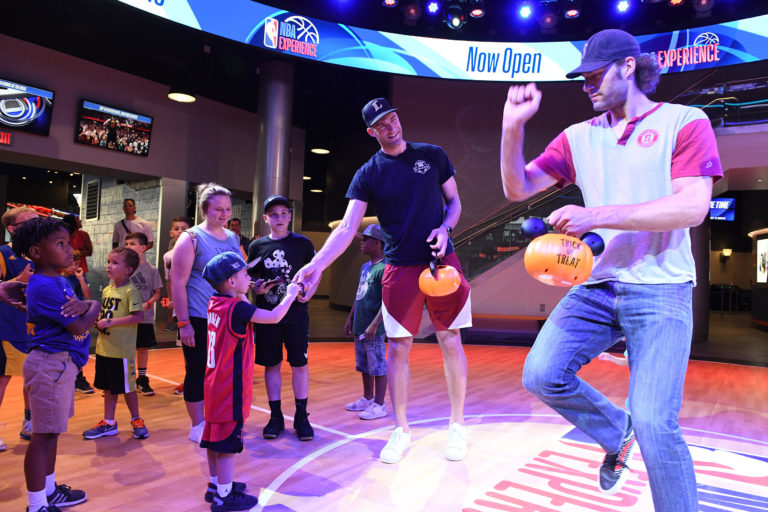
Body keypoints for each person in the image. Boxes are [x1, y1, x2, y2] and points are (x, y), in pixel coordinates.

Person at [499, 29, 722, 511]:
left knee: (655, 423)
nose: (587, 86)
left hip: (661, 289)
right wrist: (512, 127)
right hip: (598, 286)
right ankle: (614, 432)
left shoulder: (685, 120)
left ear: (627, 67)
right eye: (582, 79)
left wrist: (595, 215)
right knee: (542, 374)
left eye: (595, 75)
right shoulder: (579, 137)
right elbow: (518, 188)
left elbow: (692, 207)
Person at [295, 98, 472, 464]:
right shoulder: (368, 173)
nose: (391, 125)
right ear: (371, 132)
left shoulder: (433, 155)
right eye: (381, 123)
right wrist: (316, 264)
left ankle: (458, 425)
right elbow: (346, 229)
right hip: (399, 267)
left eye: (392, 117)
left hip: (441, 261)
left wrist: (444, 227)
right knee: (398, 347)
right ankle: (400, 428)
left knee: (451, 338)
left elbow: (454, 204)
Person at [200, 252, 302, 511]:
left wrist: (248, 291)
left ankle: (216, 485)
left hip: (213, 384)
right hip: (229, 388)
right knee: (227, 445)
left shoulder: (216, 302)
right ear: (232, 281)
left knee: (214, 438)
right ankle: (224, 496)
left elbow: (241, 304)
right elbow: (275, 316)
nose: (251, 278)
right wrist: (290, 293)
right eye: (245, 275)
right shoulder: (238, 308)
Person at [12, 217, 101, 512]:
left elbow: (81, 306)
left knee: (51, 434)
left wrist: (88, 306)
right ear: (36, 252)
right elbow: (80, 325)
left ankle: (49, 492)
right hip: (51, 365)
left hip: (60, 365)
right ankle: (36, 505)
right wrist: (96, 306)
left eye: (68, 243)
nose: (69, 250)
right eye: (61, 244)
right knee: (42, 436)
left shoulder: (59, 280)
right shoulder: (45, 286)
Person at [172, 183, 241, 443]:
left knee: (222, 372)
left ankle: (216, 419)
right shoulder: (190, 238)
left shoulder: (232, 238)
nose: (224, 214)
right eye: (218, 209)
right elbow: (178, 283)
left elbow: (237, 276)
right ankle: (197, 425)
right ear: (204, 209)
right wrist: (183, 323)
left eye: (227, 209)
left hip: (226, 317)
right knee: (198, 370)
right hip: (199, 316)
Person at [247, 195, 317, 441]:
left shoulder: (303, 244)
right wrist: (257, 287)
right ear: (266, 218)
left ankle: (301, 415)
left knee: (299, 364)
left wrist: (310, 292)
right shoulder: (257, 247)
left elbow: (314, 273)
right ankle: (275, 415)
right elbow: (251, 278)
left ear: (290, 216)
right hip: (267, 314)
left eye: (283, 213)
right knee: (271, 364)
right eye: (273, 214)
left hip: (296, 313)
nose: (279, 218)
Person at [82, 247, 147, 440]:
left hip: (121, 352)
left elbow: (138, 316)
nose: (109, 266)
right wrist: (99, 321)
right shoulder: (108, 289)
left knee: (128, 388)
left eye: (115, 263)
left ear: (128, 269)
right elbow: (108, 314)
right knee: (108, 387)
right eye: (109, 261)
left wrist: (111, 322)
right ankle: (109, 423)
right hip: (105, 349)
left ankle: (137, 419)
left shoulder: (131, 291)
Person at [0, 207, 38, 448]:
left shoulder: (39, 255)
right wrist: (18, 281)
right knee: (2, 380)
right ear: (13, 229)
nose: (36, 225)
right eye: (29, 222)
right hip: (7, 327)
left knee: (33, 379)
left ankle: (29, 422)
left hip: (35, 329)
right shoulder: (3, 254)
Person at [343, 224, 388, 420]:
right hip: (360, 325)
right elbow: (359, 294)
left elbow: (388, 301)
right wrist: (350, 317)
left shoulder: (384, 267)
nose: (361, 244)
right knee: (364, 365)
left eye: (365, 240)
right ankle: (368, 398)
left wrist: (375, 324)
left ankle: (380, 404)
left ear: (377, 243)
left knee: (377, 366)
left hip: (373, 329)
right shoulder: (364, 267)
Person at [125, 232, 163, 396]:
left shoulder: (152, 270)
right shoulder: (123, 268)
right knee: (125, 348)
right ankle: (124, 379)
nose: (128, 247)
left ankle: (141, 379)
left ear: (143, 247)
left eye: (132, 244)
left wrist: (148, 303)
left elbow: (157, 293)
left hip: (144, 317)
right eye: (126, 244)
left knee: (142, 348)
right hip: (126, 317)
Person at [60, 261, 95, 394]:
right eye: (70, 263)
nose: (73, 267)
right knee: (65, 348)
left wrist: (81, 279)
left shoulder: (79, 278)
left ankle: (79, 378)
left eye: (75, 264)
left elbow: (88, 296)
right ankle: (65, 378)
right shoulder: (58, 279)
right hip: (64, 317)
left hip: (79, 317)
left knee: (79, 347)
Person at [163, 217, 191, 335]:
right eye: (176, 228)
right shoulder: (168, 256)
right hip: (180, 301)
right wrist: (170, 299)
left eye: (184, 229)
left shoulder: (197, 251)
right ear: (171, 233)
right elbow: (168, 280)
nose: (180, 231)